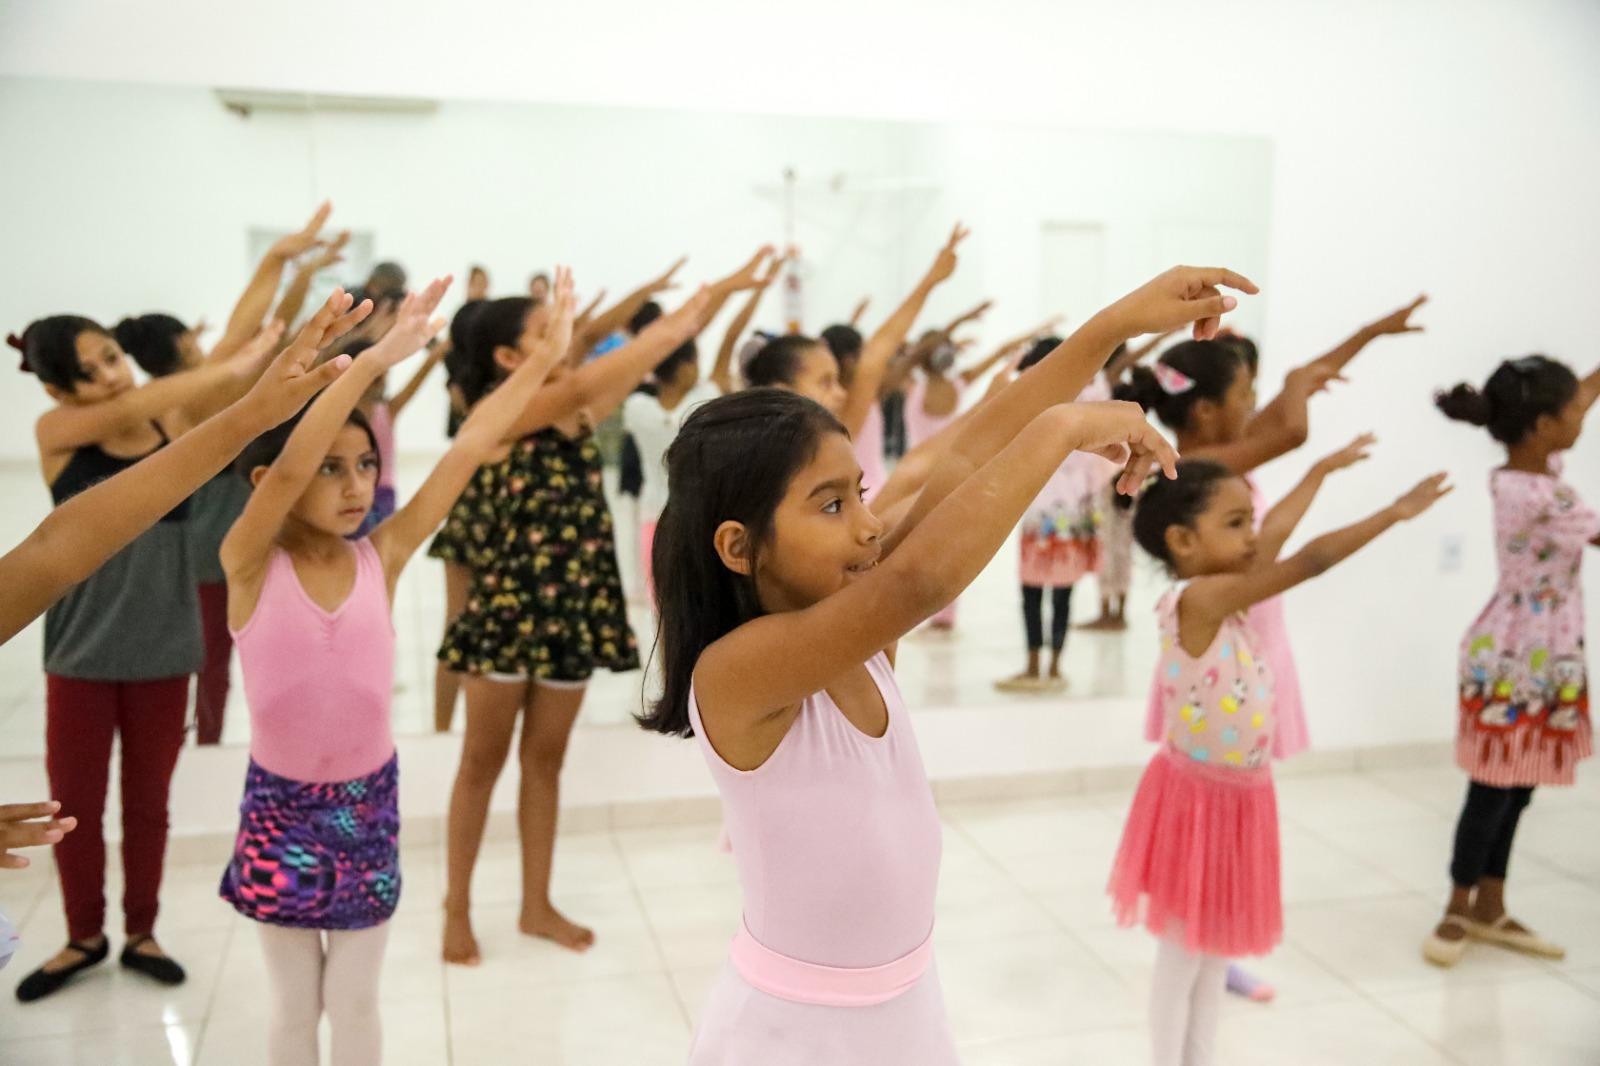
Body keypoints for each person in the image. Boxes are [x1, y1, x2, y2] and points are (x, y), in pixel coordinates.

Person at [639, 263, 1254, 1065]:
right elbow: (918, 580)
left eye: (859, 493)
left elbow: (956, 457)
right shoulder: (735, 673)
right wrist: (1066, 429)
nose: (866, 525)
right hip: (790, 1031)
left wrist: (1110, 327)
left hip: (906, 1011)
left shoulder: (854, 630)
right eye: (832, 505)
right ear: (737, 545)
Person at [215, 273, 573, 1065]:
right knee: (291, 1008)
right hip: (280, 814)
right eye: (330, 468)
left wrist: (542, 362)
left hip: (369, 807)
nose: (356, 486)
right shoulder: (248, 563)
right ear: (269, 485)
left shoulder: (385, 554)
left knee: (355, 1004)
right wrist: (370, 366)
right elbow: (283, 471)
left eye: (364, 465)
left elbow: (473, 443)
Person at [438, 268, 749, 964]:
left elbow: (594, 381)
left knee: (544, 763)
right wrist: (679, 320)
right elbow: (583, 381)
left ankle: (534, 903)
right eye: (544, 329)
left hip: (571, 608)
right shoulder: (498, 410)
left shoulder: (572, 405)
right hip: (506, 613)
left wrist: (705, 305)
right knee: (480, 765)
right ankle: (455, 908)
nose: (564, 334)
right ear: (508, 359)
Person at [1109, 459, 1448, 1066]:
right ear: (1183, 541)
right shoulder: (1201, 598)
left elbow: (1279, 532)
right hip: (1199, 802)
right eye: (1236, 524)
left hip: (1241, 796)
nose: (1252, 538)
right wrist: (1392, 514)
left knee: (1211, 951)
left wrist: (1318, 472)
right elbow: (1306, 560)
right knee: (1184, 950)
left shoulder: (1223, 590)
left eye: (1250, 523)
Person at [10, 304, 301, 1003]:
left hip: (168, 651)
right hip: (80, 656)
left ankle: (142, 931)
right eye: (89, 372)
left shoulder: (171, 428)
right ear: (57, 392)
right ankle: (84, 935)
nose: (111, 377)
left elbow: (214, 382)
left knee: (150, 806)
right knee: (70, 807)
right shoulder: (59, 432)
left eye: (113, 356)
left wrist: (269, 300)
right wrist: (227, 366)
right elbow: (186, 382)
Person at [111, 204, 345, 744]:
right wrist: (278, 260)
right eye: (195, 343)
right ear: (185, 348)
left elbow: (271, 331)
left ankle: (223, 739)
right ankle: (213, 742)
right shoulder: (196, 396)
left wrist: (298, 272)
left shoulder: (186, 390)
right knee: (216, 655)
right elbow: (250, 332)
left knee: (222, 651)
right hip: (213, 546)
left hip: (224, 539)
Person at [1422, 354, 1600, 968]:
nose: (1582, 415)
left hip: (1550, 656)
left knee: (1520, 786)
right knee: (1492, 788)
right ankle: (1456, 905)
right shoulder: (1540, 494)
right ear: (1544, 426)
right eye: (1572, 411)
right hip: (1511, 659)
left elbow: (1581, 394)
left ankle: (1490, 904)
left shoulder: (1531, 466)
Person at [995, 337, 1119, 692]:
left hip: (1040, 503)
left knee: (1032, 589)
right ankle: (1054, 666)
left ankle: (1034, 664)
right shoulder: (1092, 391)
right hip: (1074, 505)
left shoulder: (1036, 393)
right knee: (1063, 590)